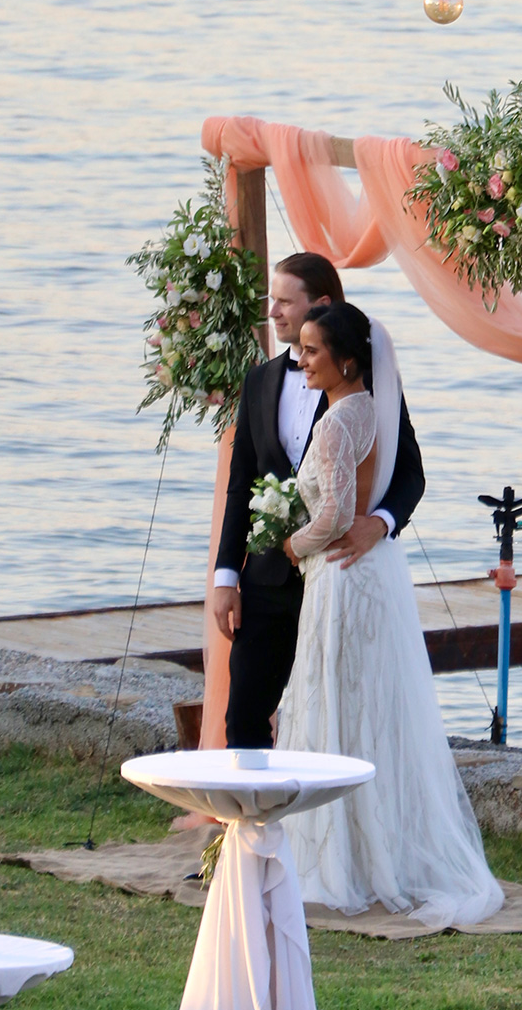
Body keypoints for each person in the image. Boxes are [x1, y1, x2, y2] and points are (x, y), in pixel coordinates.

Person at [277, 302, 504, 923]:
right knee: (373, 708)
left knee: (337, 704)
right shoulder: (370, 410)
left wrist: (292, 544)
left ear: (347, 360)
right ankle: (382, 849)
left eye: (312, 351)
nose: (302, 361)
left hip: (342, 575)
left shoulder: (336, 423)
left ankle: (341, 859)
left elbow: (333, 515)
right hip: (374, 575)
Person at [212, 253, 426, 749]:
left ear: (321, 303)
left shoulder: (372, 389)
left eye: (285, 301)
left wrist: (380, 523)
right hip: (267, 577)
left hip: (336, 575)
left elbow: (411, 473)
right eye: (272, 299)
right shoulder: (259, 381)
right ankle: (252, 803)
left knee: (333, 718)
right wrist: (225, 577)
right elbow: (241, 484)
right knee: (243, 716)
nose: (272, 311)